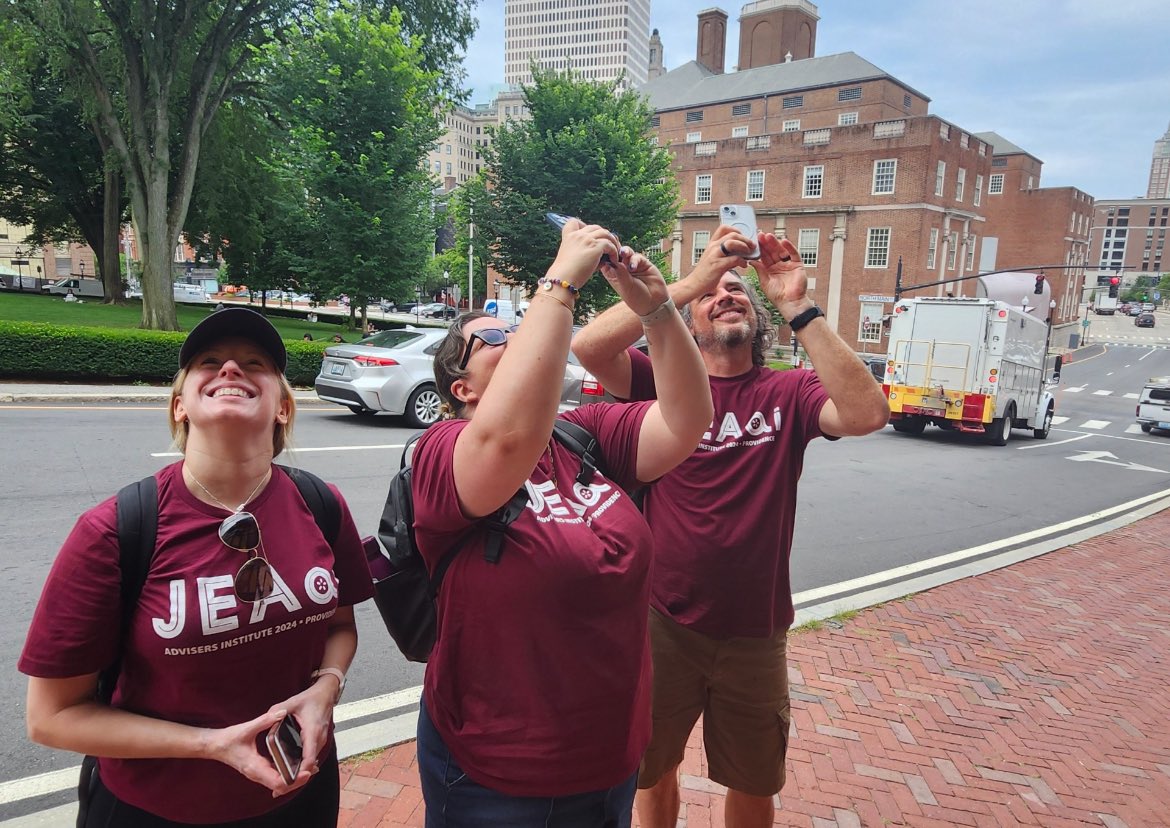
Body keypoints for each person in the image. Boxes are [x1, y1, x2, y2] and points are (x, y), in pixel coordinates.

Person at [572, 225, 890, 828]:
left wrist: (796, 303)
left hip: (756, 631)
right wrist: (688, 281)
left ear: (758, 317)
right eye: (711, 296)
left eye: (739, 290)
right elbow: (590, 348)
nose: (726, 295)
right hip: (663, 619)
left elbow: (867, 412)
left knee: (753, 779)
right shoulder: (659, 384)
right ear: (688, 323)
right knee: (650, 766)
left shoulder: (787, 392)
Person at [19, 307, 373, 827]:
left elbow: (340, 626)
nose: (231, 369)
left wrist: (327, 688)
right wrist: (211, 745)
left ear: (283, 407)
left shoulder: (321, 503)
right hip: (156, 809)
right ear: (180, 405)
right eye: (210, 362)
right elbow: (51, 718)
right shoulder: (116, 529)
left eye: (255, 364)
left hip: (300, 793)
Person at [411, 219, 713, 826]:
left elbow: (688, 420)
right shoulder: (443, 451)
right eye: (494, 334)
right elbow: (505, 439)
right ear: (463, 388)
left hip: (610, 759)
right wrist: (559, 283)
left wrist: (656, 309)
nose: (516, 334)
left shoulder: (584, 437)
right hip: (499, 774)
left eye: (516, 326)